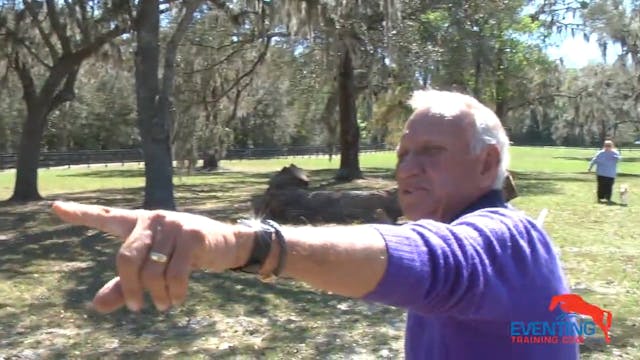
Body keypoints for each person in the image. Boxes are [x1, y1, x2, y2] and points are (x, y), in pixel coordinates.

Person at [52, 90, 578, 360]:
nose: (407, 169)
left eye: (432, 153)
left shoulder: (507, 240)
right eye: (403, 154)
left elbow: (434, 261)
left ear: (487, 164)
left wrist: (245, 244)